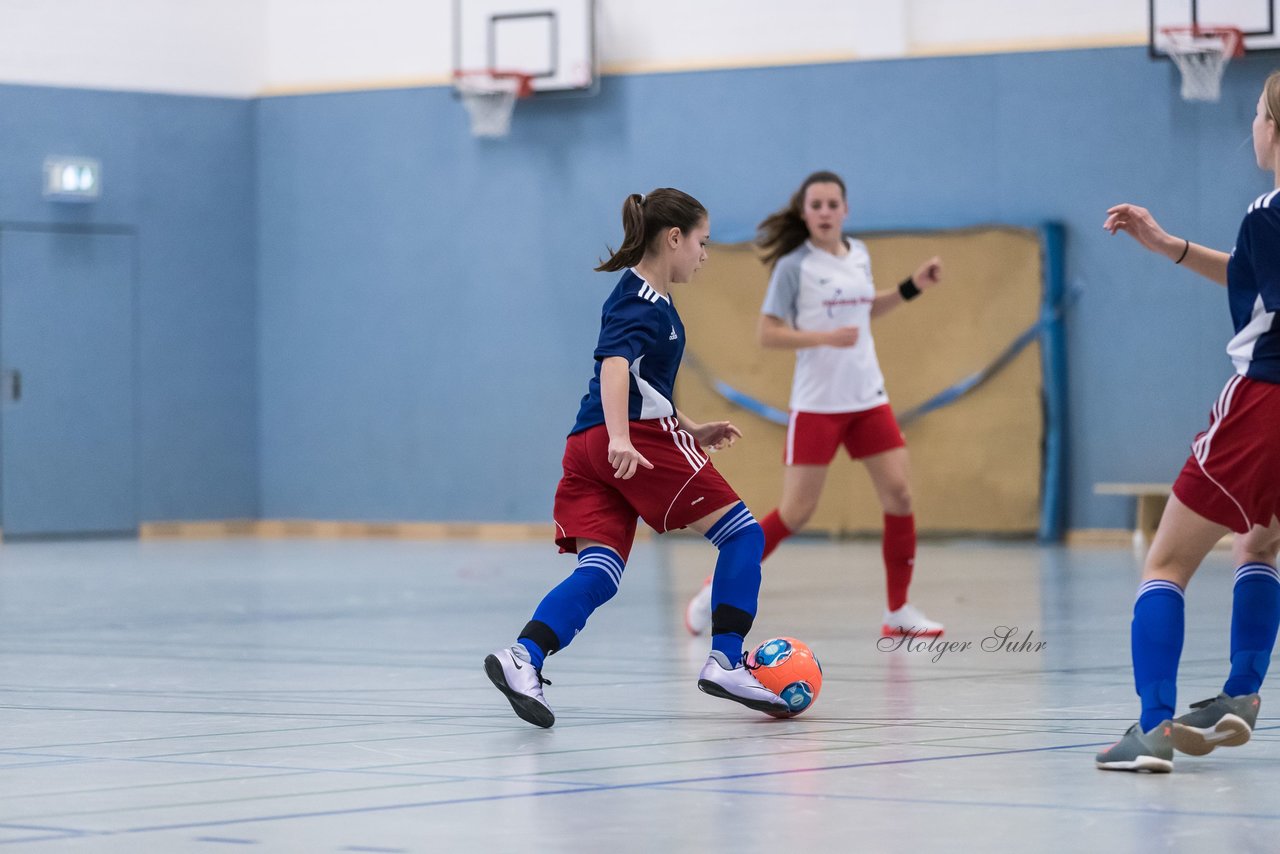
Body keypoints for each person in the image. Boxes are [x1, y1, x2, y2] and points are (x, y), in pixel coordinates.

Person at [484, 188, 790, 728]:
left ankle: (522, 657)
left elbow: (642, 382)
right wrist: (624, 439)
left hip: (588, 445)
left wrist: (692, 427)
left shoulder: (648, 299)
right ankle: (725, 659)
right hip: (629, 442)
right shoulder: (640, 300)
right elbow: (614, 367)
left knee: (600, 571)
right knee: (743, 535)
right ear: (674, 238)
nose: (705, 254)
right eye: (702, 241)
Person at [1094, 71, 1280, 772]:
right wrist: (1168, 244)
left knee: (1165, 563)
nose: (1252, 128)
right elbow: (1254, 275)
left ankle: (1152, 730)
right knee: (1257, 546)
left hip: (1264, 400)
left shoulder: (1269, 208)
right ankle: (1240, 695)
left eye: (1258, 114)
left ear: (1275, 127)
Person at [684, 170, 946, 639]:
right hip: (817, 405)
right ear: (804, 213)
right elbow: (768, 332)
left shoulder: (860, 254)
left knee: (900, 496)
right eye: (816, 205)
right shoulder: (794, 267)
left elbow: (864, 310)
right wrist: (823, 336)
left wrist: (912, 286)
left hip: (868, 398)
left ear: (846, 210)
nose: (825, 213)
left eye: (832, 204)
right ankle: (712, 589)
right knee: (795, 513)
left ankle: (898, 610)